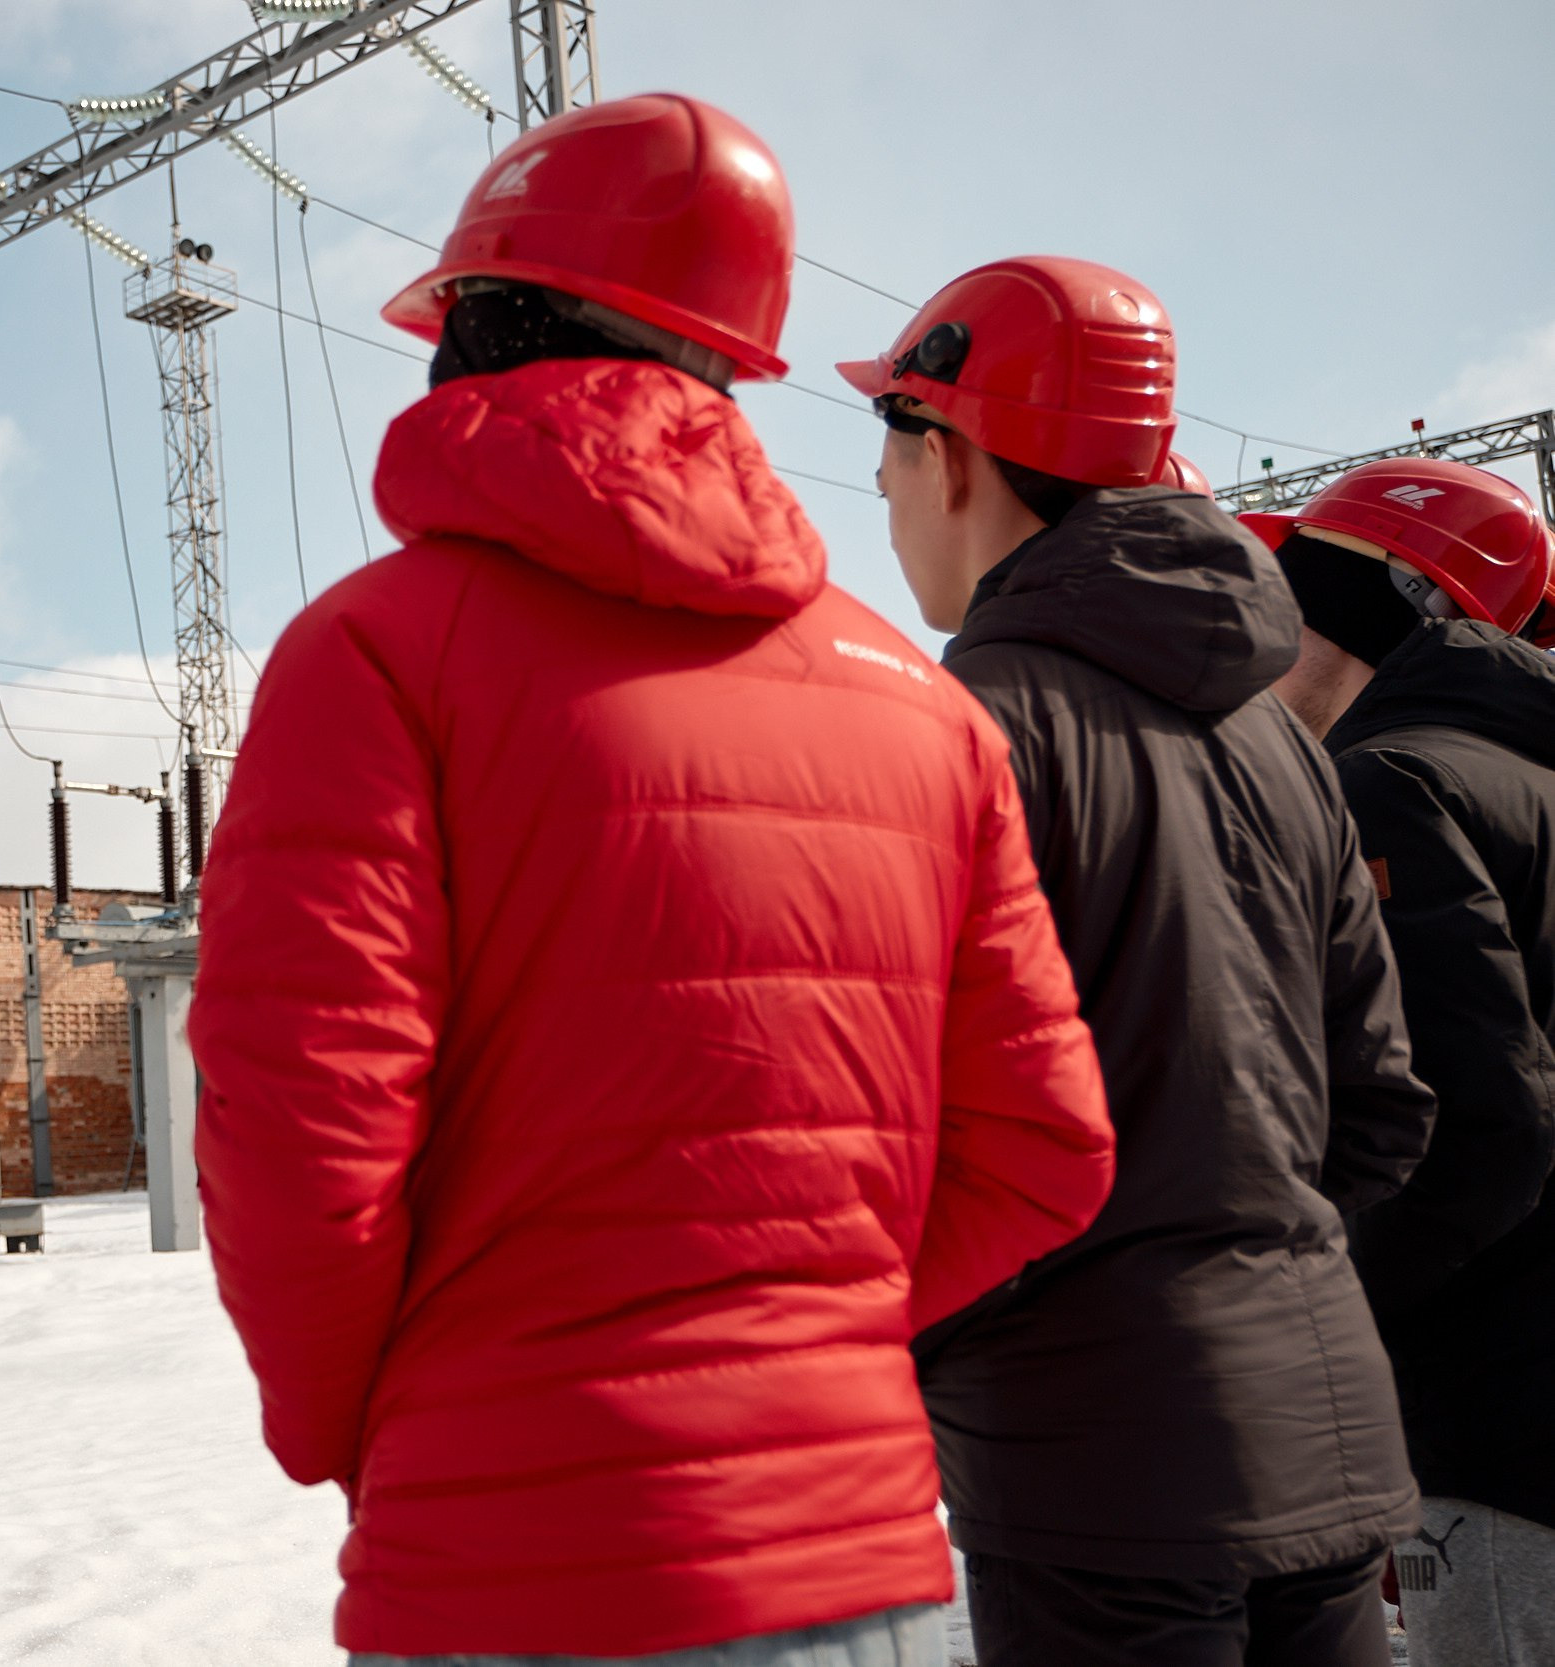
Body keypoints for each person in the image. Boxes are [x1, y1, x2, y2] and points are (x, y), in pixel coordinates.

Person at [190, 96, 1117, 1667]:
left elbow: (303, 1138)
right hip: (872, 1575)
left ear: (472, 332)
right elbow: (1046, 1144)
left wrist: (391, 1423)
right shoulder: (922, 704)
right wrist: (809, 1350)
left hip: (523, 1565)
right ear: (728, 369)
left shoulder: (375, 656)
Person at [844, 257, 1438, 1667]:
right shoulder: (1282, 741)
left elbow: (898, 1128)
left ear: (958, 454)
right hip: (1328, 1434)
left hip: (1093, 1466)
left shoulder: (963, 728)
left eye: (887, 461)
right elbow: (1386, 1104)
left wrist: (968, 1340)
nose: (880, 506)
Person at [1251, 460, 1555, 1666]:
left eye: (1285, 595)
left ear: (1380, 602)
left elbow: (1479, 1124)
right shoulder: (1526, 781)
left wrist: (1333, 1333)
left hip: (1498, 1420)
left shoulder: (1386, 784)